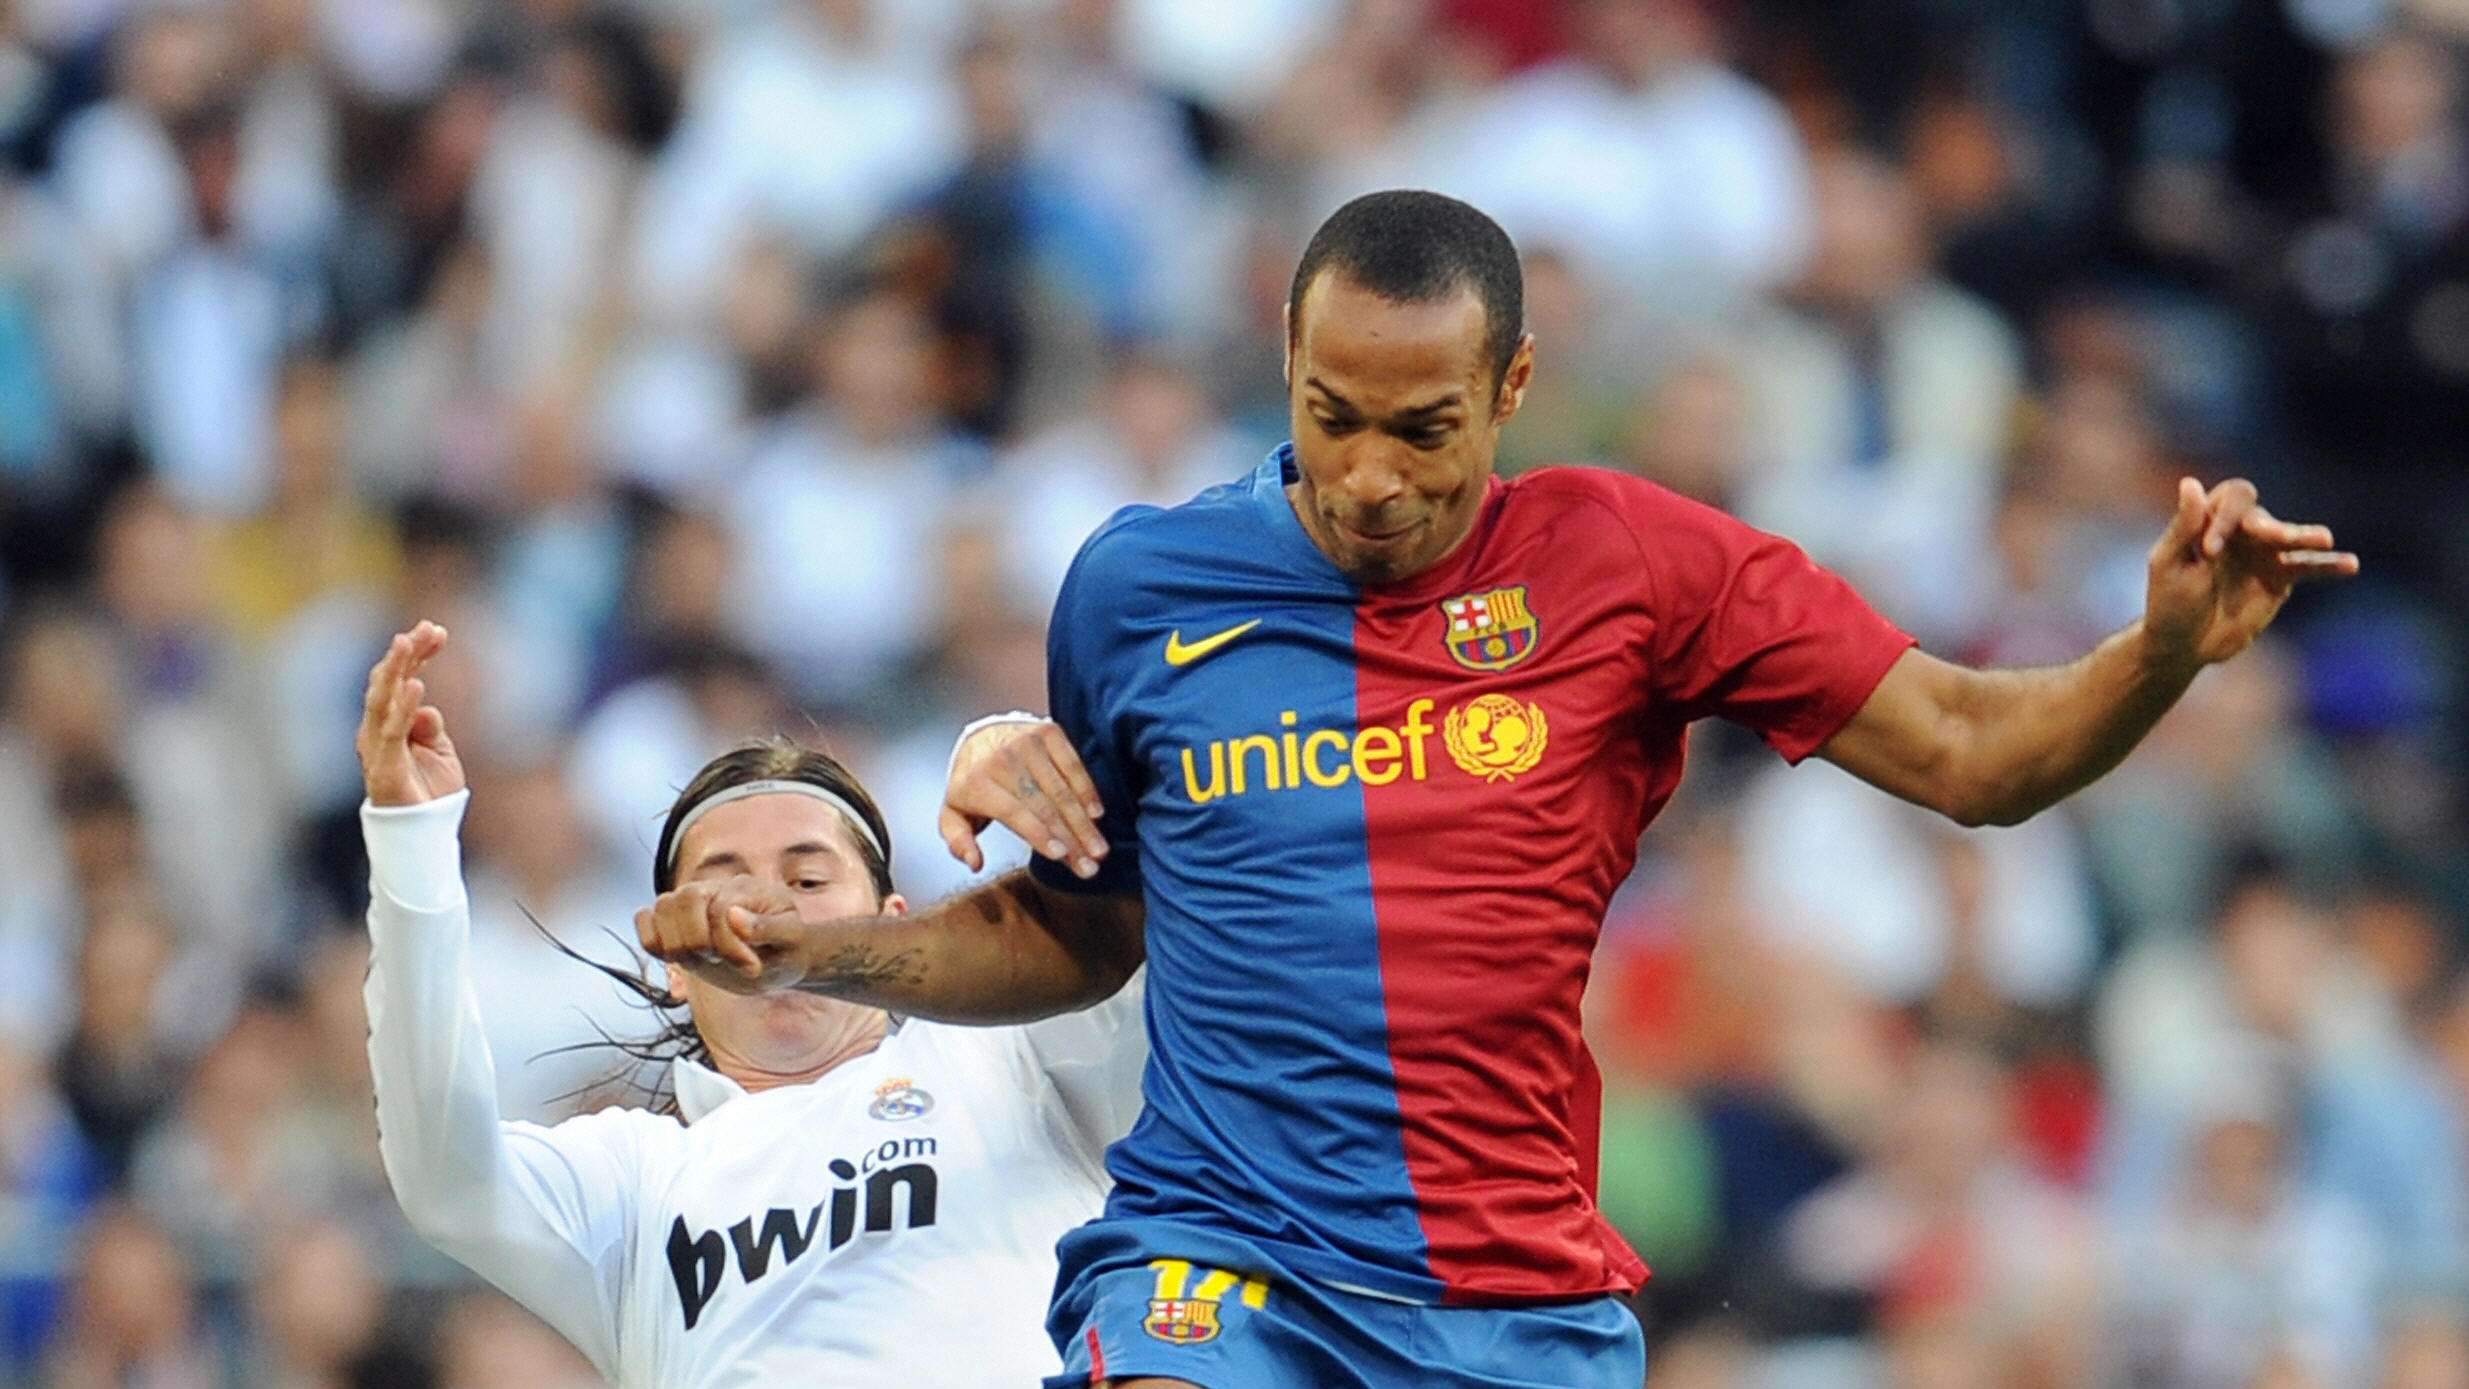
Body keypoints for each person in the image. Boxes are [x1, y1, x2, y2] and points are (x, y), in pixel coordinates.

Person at [635, 190, 2357, 1389]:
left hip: (1511, 1297)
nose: (1369, 476)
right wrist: (814, 955)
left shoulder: (1635, 561)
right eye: (1328, 417)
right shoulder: (1137, 586)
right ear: (1283, 368)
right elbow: (1083, 932)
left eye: (1421, 427)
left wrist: (2157, 654)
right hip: (1215, 1264)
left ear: (1510, 390)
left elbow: (1974, 756)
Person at [355, 620, 1144, 1387]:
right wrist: (413, 840)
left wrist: (1018, 745)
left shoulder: (1024, 1058)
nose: (767, 911)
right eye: (727, 883)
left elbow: (1183, 920)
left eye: (807, 880)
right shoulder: (635, 1180)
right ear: (672, 965)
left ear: (892, 923)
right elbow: (441, 1171)